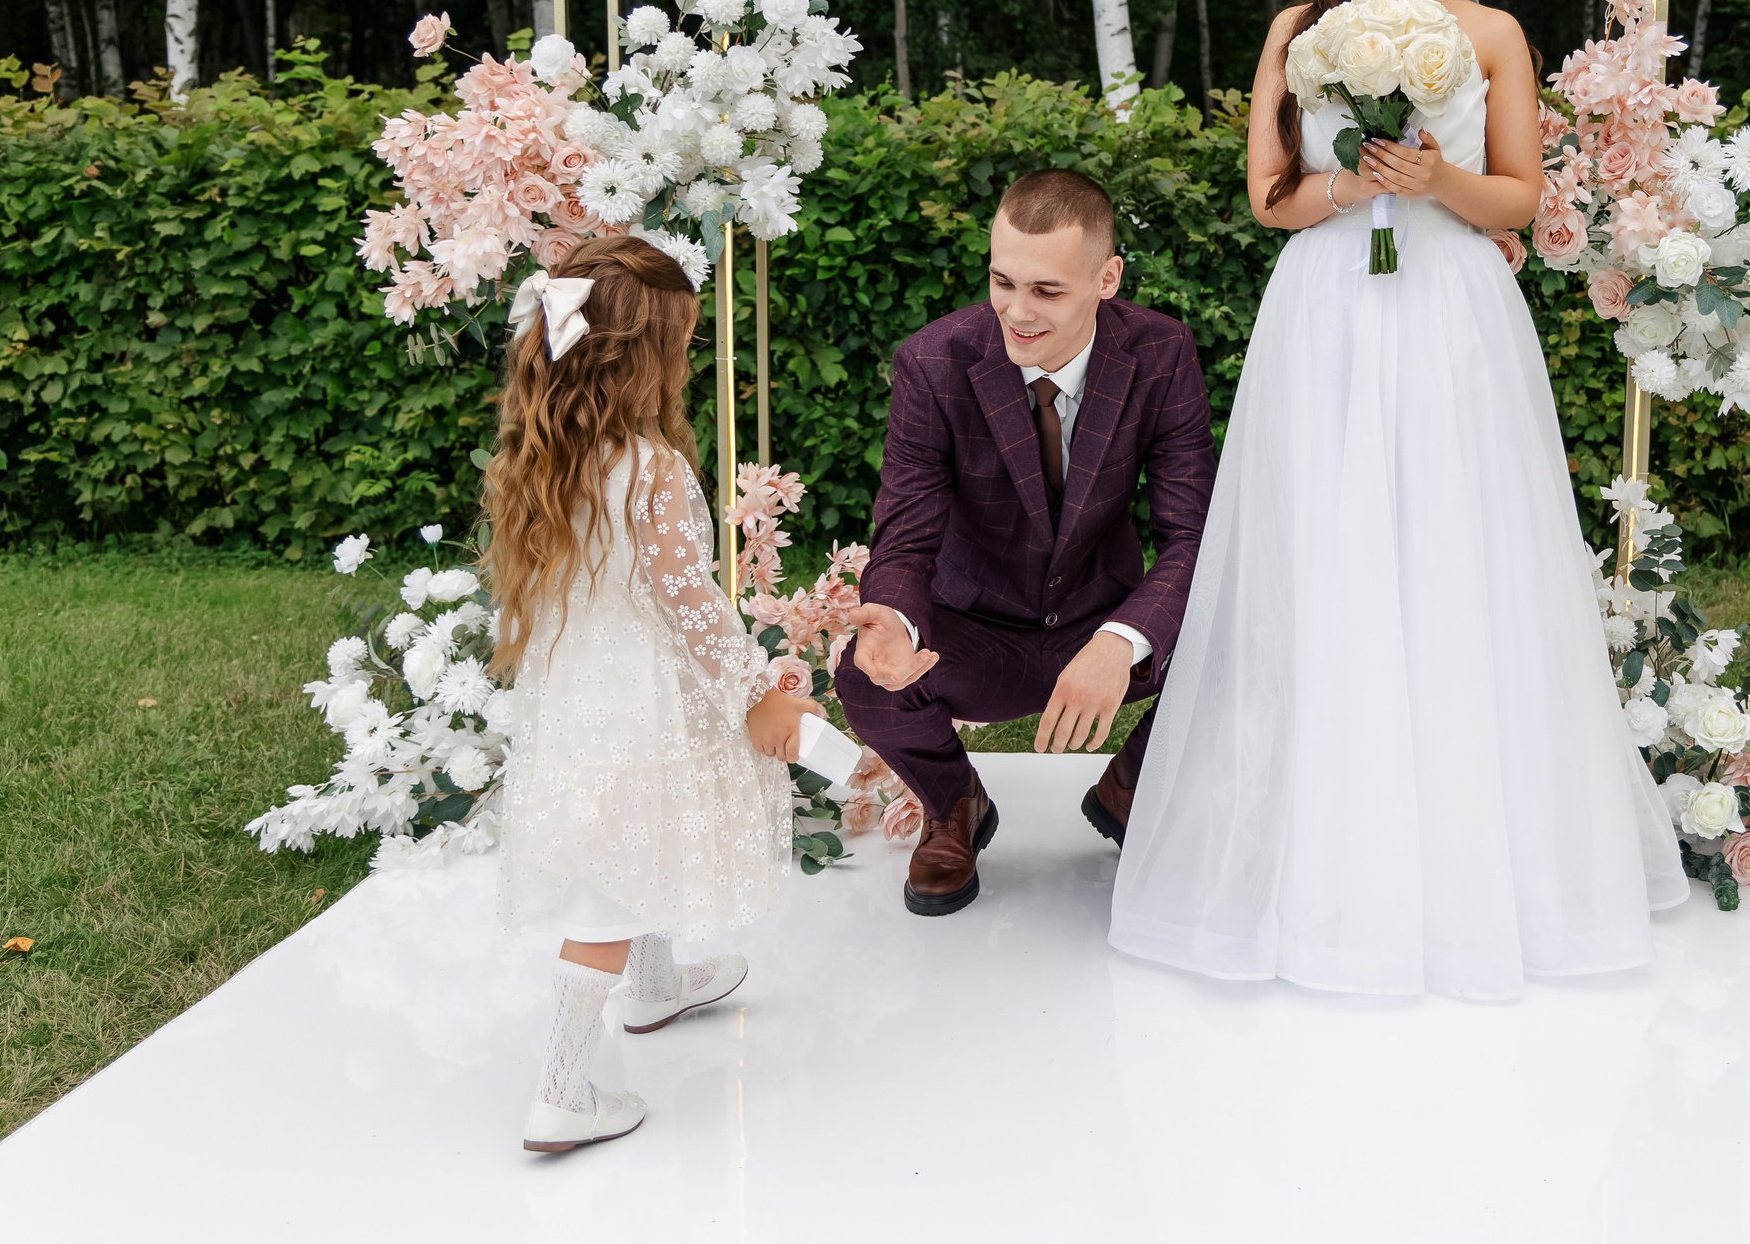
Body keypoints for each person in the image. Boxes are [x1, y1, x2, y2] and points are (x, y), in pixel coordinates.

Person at [1107, 0, 1688, 1002]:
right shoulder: (1297, 32)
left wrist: (1434, 180)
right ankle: (1313, 870)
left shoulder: (1490, 34)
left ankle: (1480, 875)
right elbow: (1269, 198)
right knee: (1321, 557)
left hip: (1450, 315)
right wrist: (1347, 180)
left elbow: (1517, 196)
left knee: (1457, 554)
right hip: (1326, 308)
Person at [485, 233, 820, 1153]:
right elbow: (693, 603)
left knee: (639, 838)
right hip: (638, 694)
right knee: (606, 892)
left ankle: (658, 985)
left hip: (576, 695)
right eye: (679, 344)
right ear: (643, 359)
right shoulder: (653, 471)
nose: (687, 360)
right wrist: (758, 689)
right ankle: (559, 1090)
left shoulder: (543, 456)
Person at [834, 170, 1219, 915]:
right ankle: (955, 804)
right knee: (862, 673)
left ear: (1107, 277)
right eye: (1001, 281)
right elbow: (907, 527)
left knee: (1250, 638)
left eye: (1047, 291)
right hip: (977, 634)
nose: (1016, 310)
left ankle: (1131, 784)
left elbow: (1190, 533)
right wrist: (894, 618)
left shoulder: (1162, 352)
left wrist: (1121, 639)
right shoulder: (932, 360)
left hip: (1100, 624)